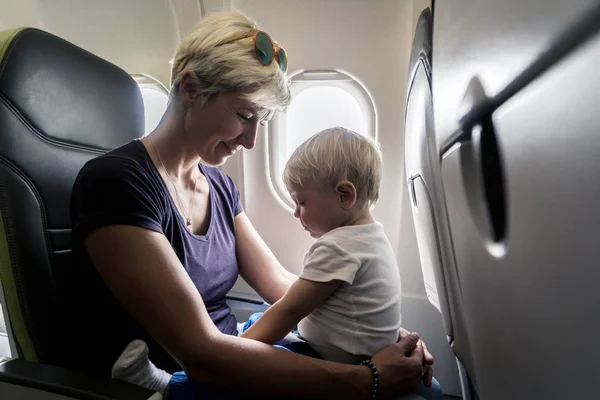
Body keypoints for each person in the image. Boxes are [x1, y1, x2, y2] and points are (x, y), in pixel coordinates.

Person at [67, 10, 435, 399]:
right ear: (191, 89)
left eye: (261, 121)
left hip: (240, 358)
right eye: (244, 115)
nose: (250, 141)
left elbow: (283, 287)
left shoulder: (221, 188)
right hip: (190, 376)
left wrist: (381, 331)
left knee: (426, 391)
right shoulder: (116, 183)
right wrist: (370, 379)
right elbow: (201, 354)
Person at [111, 127, 444, 400]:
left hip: (331, 355)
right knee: (259, 318)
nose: (297, 213)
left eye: (302, 202)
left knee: (249, 370)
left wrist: (240, 354)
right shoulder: (373, 237)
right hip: (340, 345)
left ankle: (168, 386)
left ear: (345, 195)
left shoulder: (337, 248)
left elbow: (288, 311)